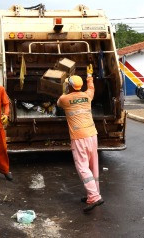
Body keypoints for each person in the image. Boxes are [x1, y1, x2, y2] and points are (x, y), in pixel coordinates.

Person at [57, 64, 104, 213]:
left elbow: (58, 102)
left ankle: (94, 197)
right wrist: (89, 76)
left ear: (69, 87)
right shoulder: (87, 96)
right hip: (92, 134)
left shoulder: (65, 99)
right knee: (93, 165)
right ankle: (93, 193)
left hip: (79, 138)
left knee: (83, 167)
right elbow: (92, 88)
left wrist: (65, 88)